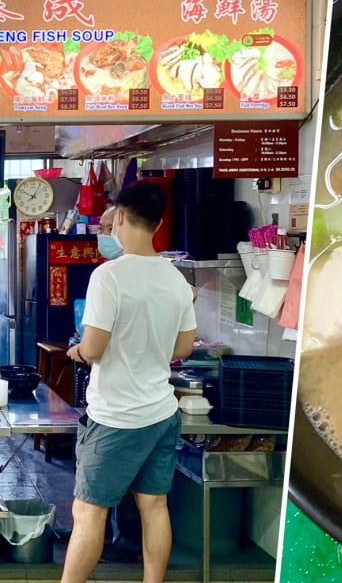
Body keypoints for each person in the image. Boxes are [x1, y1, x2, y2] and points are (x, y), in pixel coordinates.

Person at [62, 181, 197, 583]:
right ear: (158, 224)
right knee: (154, 506)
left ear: (120, 217)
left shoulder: (109, 276)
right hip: (161, 413)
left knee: (89, 512)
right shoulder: (176, 279)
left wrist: (78, 350)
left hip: (117, 418)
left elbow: (94, 347)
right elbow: (183, 347)